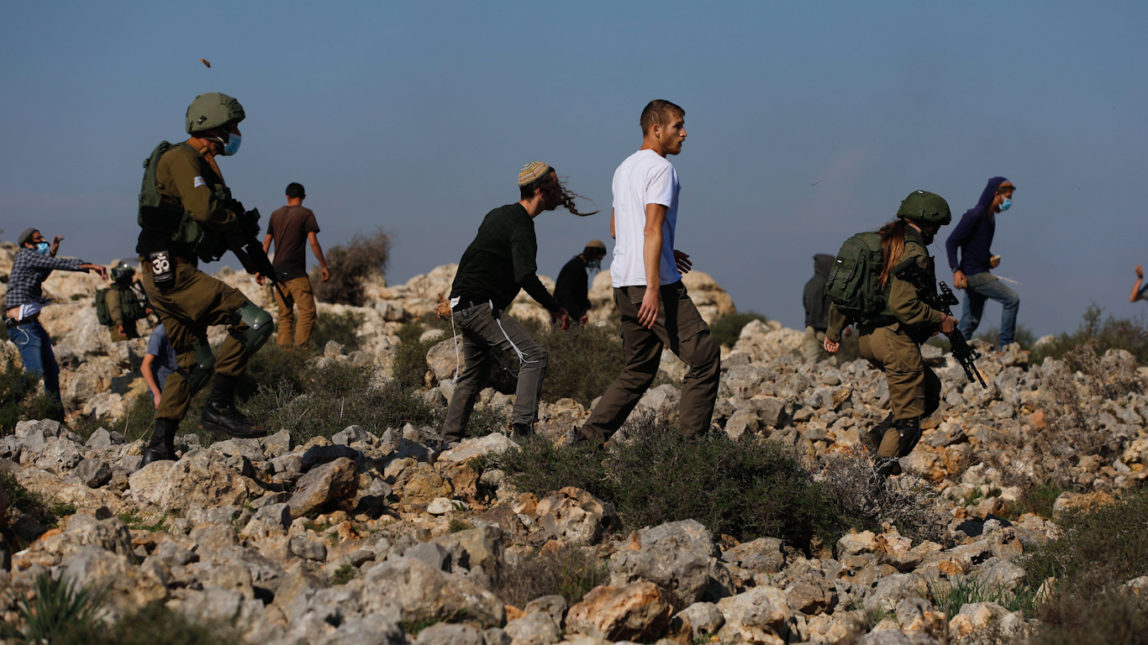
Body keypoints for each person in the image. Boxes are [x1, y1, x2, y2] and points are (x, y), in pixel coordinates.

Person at [134, 92, 273, 466]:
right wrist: (236, 224)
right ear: (213, 126)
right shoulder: (183, 158)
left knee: (195, 363)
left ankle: (158, 447)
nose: (237, 134)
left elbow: (210, 223)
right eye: (233, 127)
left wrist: (251, 258)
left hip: (161, 273)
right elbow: (204, 210)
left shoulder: (200, 164)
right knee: (256, 323)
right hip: (175, 274)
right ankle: (219, 406)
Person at [578, 99, 721, 444]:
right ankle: (691, 449)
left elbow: (617, 228)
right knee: (704, 357)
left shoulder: (623, 168)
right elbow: (651, 229)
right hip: (654, 285)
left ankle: (586, 440)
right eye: (678, 126)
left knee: (639, 369)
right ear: (656, 129)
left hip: (624, 284)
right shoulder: (661, 169)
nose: (684, 134)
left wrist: (667, 248)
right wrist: (655, 288)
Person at [441, 162, 595, 446]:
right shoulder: (521, 225)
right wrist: (555, 307)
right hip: (481, 307)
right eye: (555, 185)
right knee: (534, 356)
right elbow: (525, 276)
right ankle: (523, 432)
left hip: (464, 306)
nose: (561, 192)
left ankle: (449, 441)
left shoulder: (498, 214)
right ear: (540, 190)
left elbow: (473, 257)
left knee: (474, 374)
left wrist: (454, 299)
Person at [824, 190, 958, 475]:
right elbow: (903, 305)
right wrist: (941, 318)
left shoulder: (884, 243)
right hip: (894, 340)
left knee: (929, 390)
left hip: (868, 339)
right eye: (937, 226)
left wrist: (833, 331)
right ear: (928, 223)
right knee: (908, 423)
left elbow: (853, 292)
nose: (936, 233)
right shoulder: (913, 250)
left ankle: (875, 439)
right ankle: (875, 485)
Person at [4, 228, 108, 403]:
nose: (42, 240)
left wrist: (52, 252)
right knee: (34, 373)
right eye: (38, 239)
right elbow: (58, 264)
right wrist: (90, 265)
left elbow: (42, 273)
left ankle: (54, 413)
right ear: (28, 244)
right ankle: (7, 407)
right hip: (22, 327)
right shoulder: (26, 255)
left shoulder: (31, 259)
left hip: (33, 325)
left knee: (52, 371)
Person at [944, 177, 1019, 350]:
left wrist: (989, 259)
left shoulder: (990, 219)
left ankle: (958, 352)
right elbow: (952, 242)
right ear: (996, 195)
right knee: (1012, 300)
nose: (1009, 202)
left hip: (978, 270)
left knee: (970, 319)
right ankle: (1007, 346)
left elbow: (974, 247)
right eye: (1007, 197)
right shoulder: (975, 215)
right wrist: (956, 270)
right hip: (975, 274)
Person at [258, 182, 330, 348]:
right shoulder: (306, 214)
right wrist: (324, 265)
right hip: (295, 272)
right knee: (308, 312)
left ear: (287, 196)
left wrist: (260, 269)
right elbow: (313, 242)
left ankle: (284, 356)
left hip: (277, 272)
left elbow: (266, 243)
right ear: (304, 196)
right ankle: (300, 351)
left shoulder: (275, 214)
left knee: (285, 315)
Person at [554, 240, 608, 324]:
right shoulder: (576, 267)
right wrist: (578, 314)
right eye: (598, 258)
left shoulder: (578, 266)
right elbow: (565, 293)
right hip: (567, 317)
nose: (598, 262)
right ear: (592, 254)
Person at [101, 261, 148, 341]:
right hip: (120, 331)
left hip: (131, 328)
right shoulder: (113, 292)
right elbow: (115, 309)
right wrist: (120, 325)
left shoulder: (128, 292)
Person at [802, 253, 835, 364]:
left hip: (810, 327)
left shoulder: (809, 284)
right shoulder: (828, 285)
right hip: (825, 330)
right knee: (838, 361)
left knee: (811, 362)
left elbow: (806, 304)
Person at [141, 323, 178, 410]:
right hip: (162, 387)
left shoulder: (180, 329)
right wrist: (157, 394)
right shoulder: (159, 334)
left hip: (176, 383)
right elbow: (144, 366)